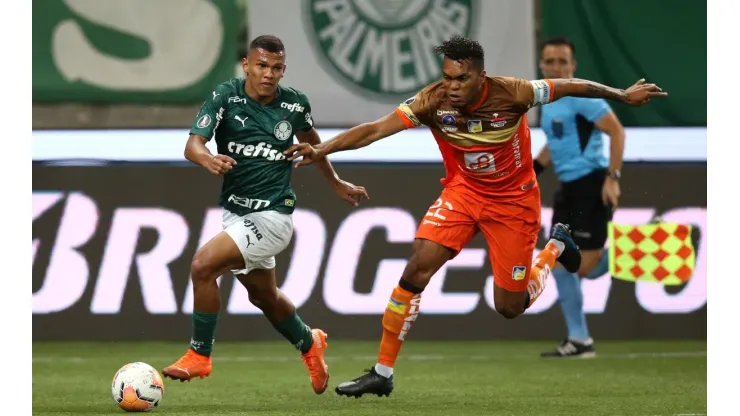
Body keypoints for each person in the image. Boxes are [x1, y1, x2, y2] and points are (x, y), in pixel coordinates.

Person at [286, 36, 666, 398]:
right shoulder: (432, 101)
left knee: (509, 307)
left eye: (461, 79)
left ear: (480, 77)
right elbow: (374, 130)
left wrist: (620, 95)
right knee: (418, 266)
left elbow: (570, 85)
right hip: (463, 195)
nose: (451, 86)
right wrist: (323, 150)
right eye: (447, 77)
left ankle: (553, 248)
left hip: (514, 204)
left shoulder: (513, 92)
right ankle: (382, 373)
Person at [161, 35, 369, 395]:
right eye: (261, 65)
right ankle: (309, 342)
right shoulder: (225, 96)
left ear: (283, 70)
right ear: (246, 65)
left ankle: (200, 354)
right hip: (235, 215)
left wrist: (334, 181)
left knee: (202, 266)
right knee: (264, 297)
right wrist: (208, 157)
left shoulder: (294, 105)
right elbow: (192, 144)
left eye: (276, 68)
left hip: (274, 217)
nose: (268, 74)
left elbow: (313, 141)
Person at [534, 37, 625, 358]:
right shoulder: (547, 100)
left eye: (562, 61)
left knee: (576, 268)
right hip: (568, 190)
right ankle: (579, 339)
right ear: (541, 64)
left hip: (591, 185)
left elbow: (616, 130)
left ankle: (629, 253)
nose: (556, 66)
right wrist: (531, 171)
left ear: (573, 66)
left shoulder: (584, 97)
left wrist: (612, 178)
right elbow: (555, 143)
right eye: (550, 61)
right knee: (559, 263)